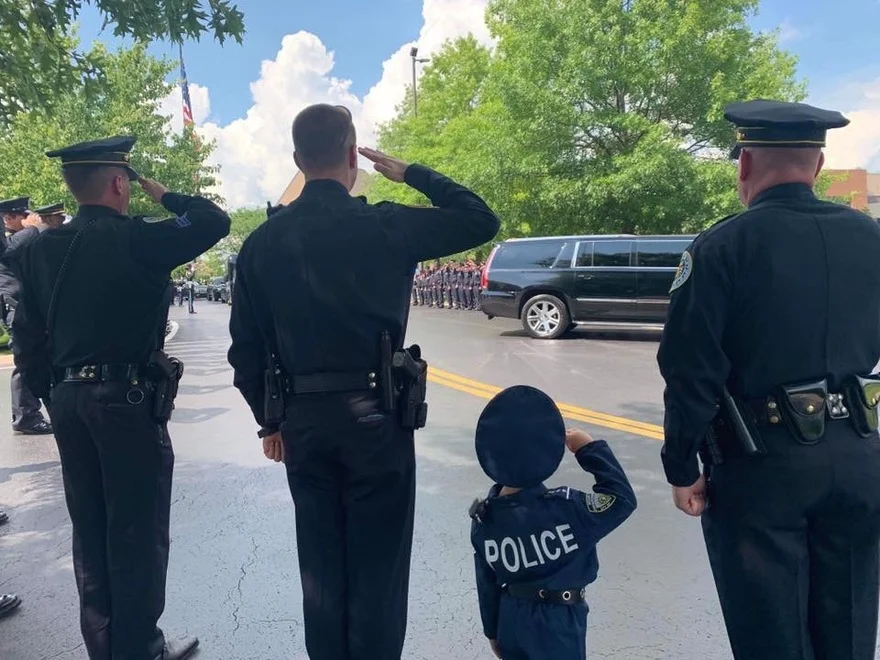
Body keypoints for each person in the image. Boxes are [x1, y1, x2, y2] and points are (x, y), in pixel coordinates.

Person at [228, 103, 500, 660]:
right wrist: (413, 173)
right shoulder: (385, 224)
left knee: (321, 571)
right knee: (379, 569)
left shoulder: (261, 245)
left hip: (302, 422)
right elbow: (479, 218)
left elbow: (245, 352)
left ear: (298, 161)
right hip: (377, 416)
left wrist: (269, 421)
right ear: (354, 156)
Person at [657, 99, 880, 660]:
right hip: (860, 454)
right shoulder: (871, 238)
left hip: (763, 468)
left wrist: (682, 466)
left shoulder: (721, 248)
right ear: (819, 164)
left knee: (771, 639)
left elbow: (689, 370)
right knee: (850, 631)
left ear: (744, 164)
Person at [13, 135, 230, 660]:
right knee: (136, 531)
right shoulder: (140, 239)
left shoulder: (38, 248)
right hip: (127, 402)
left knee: (90, 529)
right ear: (118, 182)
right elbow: (214, 221)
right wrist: (164, 194)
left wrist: (54, 393)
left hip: (68, 400)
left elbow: (27, 334)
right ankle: (140, 648)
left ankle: (105, 647)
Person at [469, 385, 636, 660]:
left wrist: (492, 631)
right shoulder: (567, 509)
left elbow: (485, 582)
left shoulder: (485, 519)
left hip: (511, 619)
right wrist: (589, 449)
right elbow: (622, 499)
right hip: (559, 623)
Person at [0, 197, 53, 435]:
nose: (29, 219)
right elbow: (8, 251)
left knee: (30, 357)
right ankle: (26, 415)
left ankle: (28, 413)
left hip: (22, 303)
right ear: (9, 218)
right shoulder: (11, 240)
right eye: (23, 216)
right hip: (13, 303)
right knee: (25, 360)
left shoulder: (22, 239)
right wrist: (33, 228)